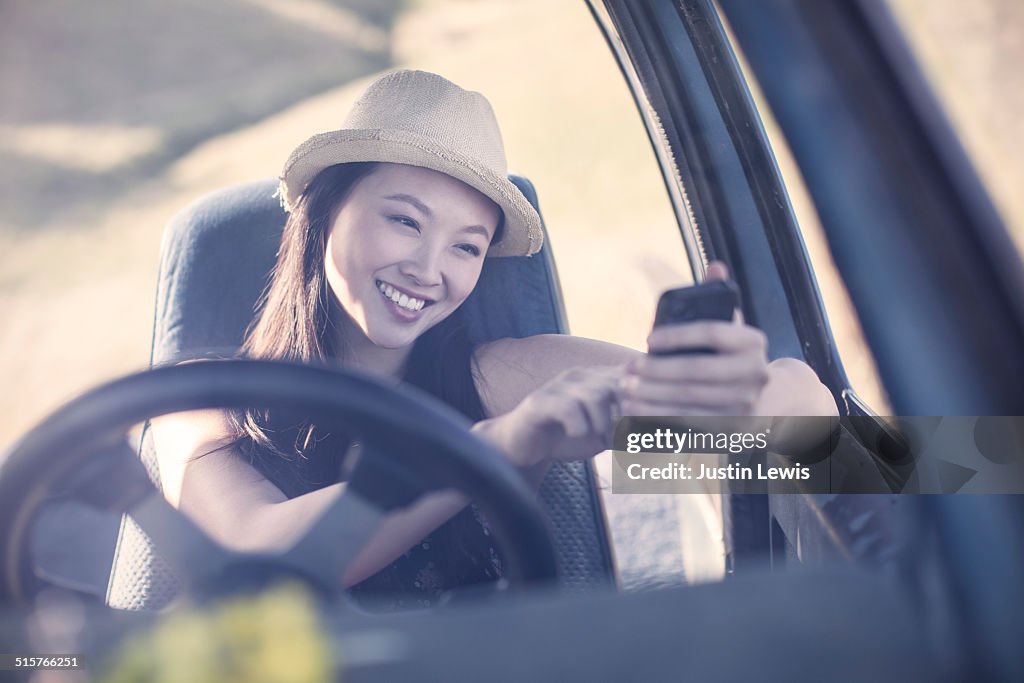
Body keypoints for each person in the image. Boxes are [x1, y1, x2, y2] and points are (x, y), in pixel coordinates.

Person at [152, 70, 837, 609]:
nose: (428, 269)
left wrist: (743, 387)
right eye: (405, 220)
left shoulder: (502, 380)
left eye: (466, 246)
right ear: (323, 209)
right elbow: (269, 559)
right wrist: (500, 446)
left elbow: (829, 451)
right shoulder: (208, 398)